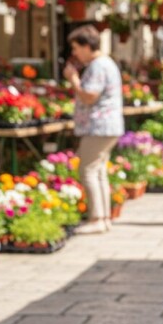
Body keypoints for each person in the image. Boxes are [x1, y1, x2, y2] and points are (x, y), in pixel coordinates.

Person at [63, 25, 125, 235]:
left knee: (88, 171)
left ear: (87, 46)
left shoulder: (98, 65)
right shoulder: (105, 63)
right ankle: (103, 217)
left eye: (76, 48)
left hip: (99, 126)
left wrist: (73, 80)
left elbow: (90, 95)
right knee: (98, 171)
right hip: (106, 126)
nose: (74, 53)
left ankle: (97, 218)